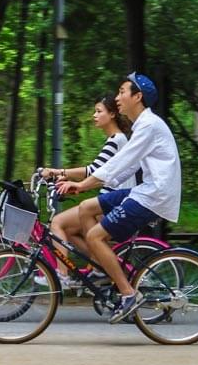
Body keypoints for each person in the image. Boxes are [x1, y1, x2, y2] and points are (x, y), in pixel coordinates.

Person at [56, 73, 181, 323]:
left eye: (122, 92)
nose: (117, 97)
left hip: (153, 196)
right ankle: (99, 267)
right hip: (146, 190)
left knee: (93, 235)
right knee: (86, 208)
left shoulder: (149, 126)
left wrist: (82, 184)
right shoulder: (142, 125)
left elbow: (120, 163)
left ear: (138, 96)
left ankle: (128, 294)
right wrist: (85, 187)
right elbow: (123, 167)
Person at [39, 94, 135, 287]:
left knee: (57, 222)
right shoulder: (117, 140)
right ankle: (100, 265)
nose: (94, 115)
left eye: (99, 111)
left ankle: (62, 274)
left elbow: (93, 170)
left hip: (113, 204)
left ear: (112, 114)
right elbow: (97, 173)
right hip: (111, 201)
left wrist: (58, 171)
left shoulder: (116, 140)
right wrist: (67, 179)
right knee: (70, 232)